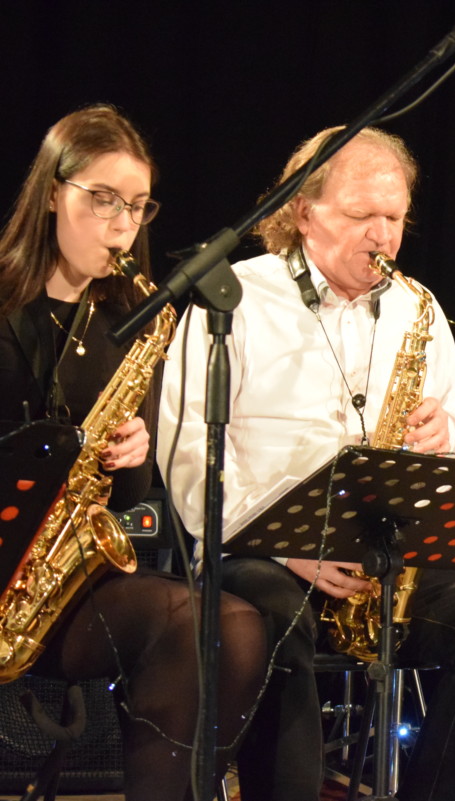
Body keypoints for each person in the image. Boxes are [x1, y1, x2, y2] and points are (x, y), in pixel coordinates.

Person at [157, 125, 455, 801]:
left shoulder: (415, 305)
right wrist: (284, 544)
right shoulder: (235, 297)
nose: (383, 236)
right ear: (303, 211)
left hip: (378, 560)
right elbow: (186, 447)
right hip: (263, 553)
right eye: (362, 215)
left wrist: (449, 428)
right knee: (278, 622)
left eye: (394, 218)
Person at [0, 104, 266, 801]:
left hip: (54, 586)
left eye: (138, 205)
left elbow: (125, 499)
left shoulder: (130, 319)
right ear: (52, 191)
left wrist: (133, 454)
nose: (123, 225)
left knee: (225, 626)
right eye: (103, 199)